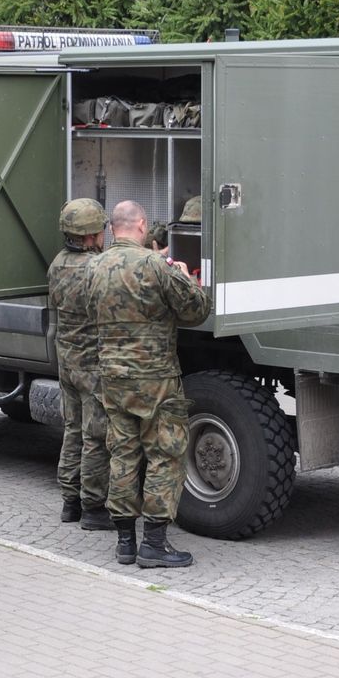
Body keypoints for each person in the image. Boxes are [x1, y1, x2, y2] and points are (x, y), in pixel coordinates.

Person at [87, 199, 210, 568]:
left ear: (112, 228)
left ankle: (125, 542)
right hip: (155, 379)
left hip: (112, 376)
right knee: (164, 454)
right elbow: (196, 309)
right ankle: (154, 544)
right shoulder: (157, 266)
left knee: (123, 453)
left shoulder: (94, 267)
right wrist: (185, 276)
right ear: (142, 225)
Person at [48, 198, 112, 531]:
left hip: (67, 360)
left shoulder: (58, 263)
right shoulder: (95, 268)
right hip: (92, 363)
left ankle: (70, 502)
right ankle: (93, 508)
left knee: (72, 430)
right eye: (101, 230)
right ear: (89, 236)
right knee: (96, 436)